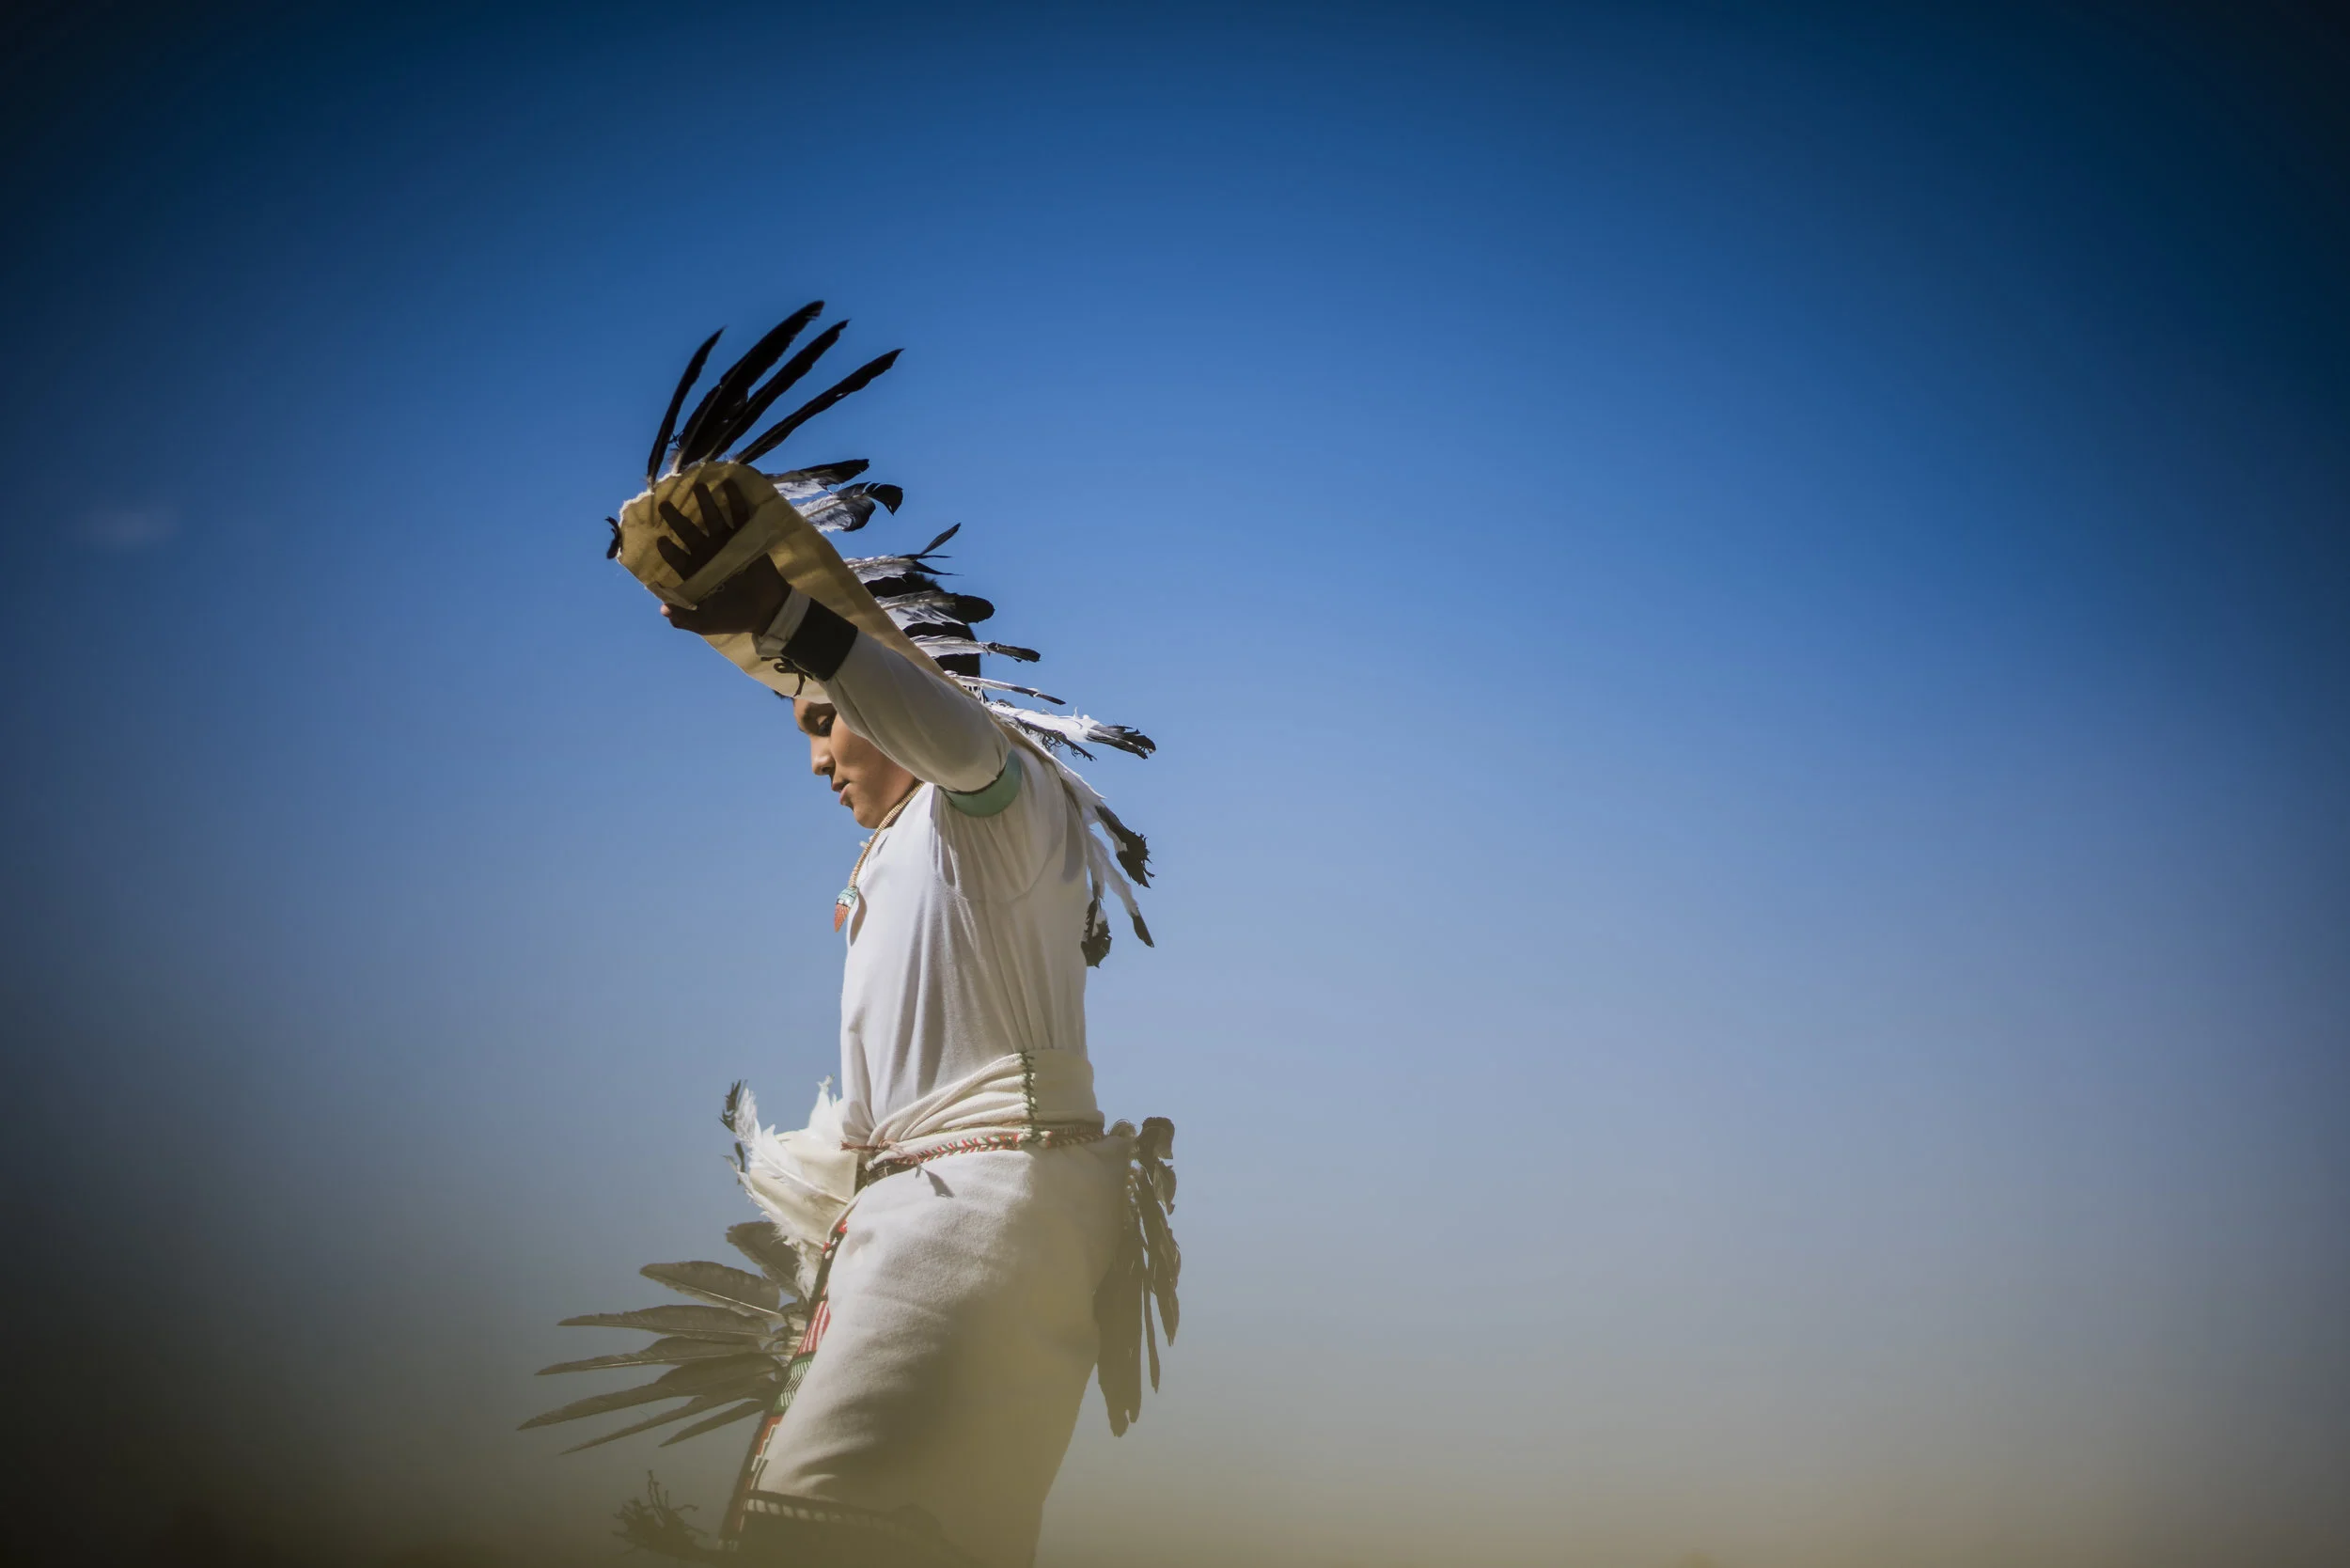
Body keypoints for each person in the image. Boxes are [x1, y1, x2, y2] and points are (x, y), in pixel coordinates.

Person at [588, 313, 1176, 1568]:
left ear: (877, 688)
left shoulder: (992, 800)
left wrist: (798, 625)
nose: (815, 756)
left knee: (814, 1539)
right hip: (966, 1215)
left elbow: (953, 732)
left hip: (971, 1217)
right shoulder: (918, 848)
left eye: (821, 722)